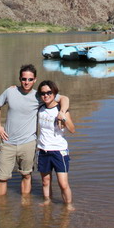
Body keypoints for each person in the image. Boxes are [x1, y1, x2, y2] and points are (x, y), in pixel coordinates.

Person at [0, 64, 69, 196]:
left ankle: (25, 206)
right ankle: (0, 207)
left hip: (28, 143)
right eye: (24, 79)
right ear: (19, 79)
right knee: (1, 178)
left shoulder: (40, 96)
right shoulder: (10, 92)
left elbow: (64, 98)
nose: (26, 82)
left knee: (26, 175)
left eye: (30, 79)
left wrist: (62, 112)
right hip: (8, 142)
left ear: (35, 80)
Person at [36, 80, 75, 209]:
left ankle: (68, 206)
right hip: (43, 150)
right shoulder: (40, 108)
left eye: (49, 92)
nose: (46, 95)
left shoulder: (61, 109)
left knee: (63, 183)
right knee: (45, 181)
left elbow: (72, 129)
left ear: (54, 93)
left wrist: (62, 117)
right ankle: (47, 202)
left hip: (59, 151)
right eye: (43, 93)